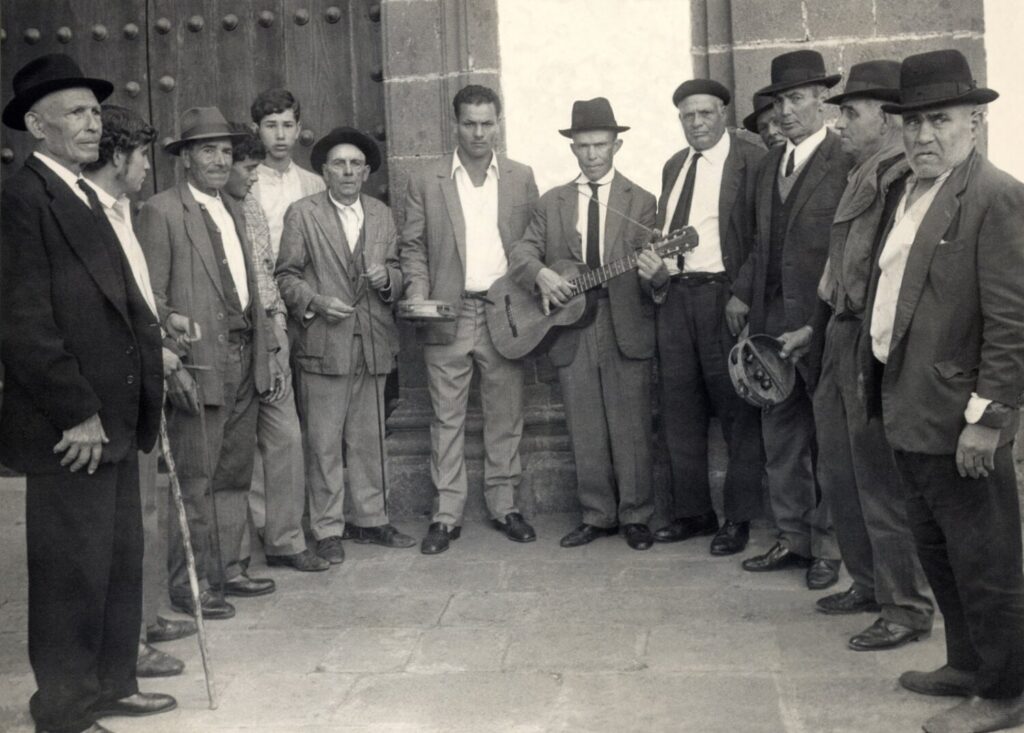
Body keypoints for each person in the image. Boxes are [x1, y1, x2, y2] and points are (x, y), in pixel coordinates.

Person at [0, 53, 175, 733]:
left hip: (117, 418)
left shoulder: (81, 193)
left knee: (116, 560)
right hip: (72, 429)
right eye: (76, 111)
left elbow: (121, 300)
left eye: (96, 110)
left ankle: (111, 683)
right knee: (71, 572)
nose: (93, 122)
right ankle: (65, 712)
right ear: (38, 126)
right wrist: (76, 412)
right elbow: (22, 322)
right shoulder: (21, 199)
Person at [862, 49, 1024, 733]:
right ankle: (965, 663)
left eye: (940, 120)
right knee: (938, 549)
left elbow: (1013, 320)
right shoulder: (908, 187)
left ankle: (1007, 690)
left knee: (986, 559)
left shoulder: (993, 194)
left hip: (960, 419)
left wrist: (987, 421)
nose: (924, 135)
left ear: (974, 123)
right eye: (913, 122)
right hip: (909, 407)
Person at [786, 60, 934, 651]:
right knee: (841, 473)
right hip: (837, 337)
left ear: (889, 118)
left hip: (872, 345)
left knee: (879, 482)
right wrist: (813, 332)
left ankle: (906, 606)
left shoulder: (904, 180)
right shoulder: (862, 174)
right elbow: (836, 272)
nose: (839, 122)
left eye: (850, 112)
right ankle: (868, 583)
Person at [138, 107, 283, 620]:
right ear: (185, 160)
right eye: (208, 150)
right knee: (195, 479)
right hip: (199, 364)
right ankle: (192, 583)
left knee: (234, 474)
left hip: (244, 357)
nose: (220, 160)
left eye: (226, 150)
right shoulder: (162, 211)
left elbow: (250, 290)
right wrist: (173, 357)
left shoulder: (235, 206)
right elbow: (150, 295)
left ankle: (229, 568)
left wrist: (264, 351)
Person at [508, 97, 659, 551]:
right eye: (583, 147)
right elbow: (521, 253)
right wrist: (541, 273)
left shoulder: (642, 201)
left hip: (623, 321)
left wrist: (659, 274)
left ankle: (636, 515)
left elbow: (653, 267)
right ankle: (596, 515)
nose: (592, 155)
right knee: (584, 423)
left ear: (618, 145)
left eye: (601, 145)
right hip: (571, 326)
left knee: (630, 422)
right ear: (571, 148)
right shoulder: (553, 202)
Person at [81, 104, 200, 677]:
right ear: (118, 156)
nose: (149, 167)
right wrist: (155, 350)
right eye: (142, 156)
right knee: (123, 527)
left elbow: (139, 299)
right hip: (111, 395)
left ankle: (144, 623)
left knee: (142, 516)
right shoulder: (92, 217)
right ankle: (126, 645)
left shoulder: (127, 212)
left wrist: (164, 323)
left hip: (140, 386)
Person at [726, 50, 852, 590]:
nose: (787, 111)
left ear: (823, 99)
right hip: (770, 326)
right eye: (781, 100)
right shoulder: (766, 166)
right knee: (780, 439)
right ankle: (793, 537)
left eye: (798, 98)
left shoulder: (845, 162)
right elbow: (760, 243)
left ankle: (829, 547)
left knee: (827, 442)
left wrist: (820, 323)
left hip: (818, 327)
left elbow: (847, 255)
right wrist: (740, 294)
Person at [399, 85, 539, 554]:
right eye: (469, 123)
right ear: (454, 124)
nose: (479, 132)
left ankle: (505, 505)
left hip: (506, 313)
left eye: (487, 122)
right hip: (448, 312)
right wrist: (419, 292)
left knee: (505, 413)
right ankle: (446, 514)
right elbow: (413, 247)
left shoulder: (521, 177)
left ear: (499, 121)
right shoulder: (427, 180)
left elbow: (531, 245)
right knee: (446, 417)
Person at [276, 127, 415, 562]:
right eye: (339, 163)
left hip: (373, 341)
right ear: (324, 171)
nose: (349, 171)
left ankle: (371, 519)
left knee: (368, 437)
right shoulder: (303, 214)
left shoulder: (381, 214)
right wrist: (315, 302)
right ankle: (328, 528)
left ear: (368, 172)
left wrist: (387, 279)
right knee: (322, 441)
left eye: (356, 164)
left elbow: (397, 269)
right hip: (324, 341)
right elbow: (286, 275)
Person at [648, 79, 766, 556]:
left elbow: (765, 238)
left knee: (739, 413)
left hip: (724, 299)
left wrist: (741, 293)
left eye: (705, 113)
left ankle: (738, 518)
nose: (696, 123)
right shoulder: (675, 165)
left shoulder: (751, 161)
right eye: (687, 116)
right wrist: (656, 269)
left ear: (723, 114)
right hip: (676, 299)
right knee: (680, 411)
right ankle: (694, 513)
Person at [222, 123, 329, 572]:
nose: (253, 176)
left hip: (269, 334)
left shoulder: (249, 206)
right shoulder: (184, 211)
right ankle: (234, 554)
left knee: (286, 436)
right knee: (232, 453)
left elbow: (267, 276)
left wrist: (277, 332)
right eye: (248, 168)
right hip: (226, 344)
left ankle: (286, 540)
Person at [248, 88, 326, 540]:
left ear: (299, 129)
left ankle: (310, 513)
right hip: (262, 309)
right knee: (268, 412)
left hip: (306, 307)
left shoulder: (313, 183)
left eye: (287, 125)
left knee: (309, 414)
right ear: (257, 129)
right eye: (270, 125)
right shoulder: (245, 180)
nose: (280, 135)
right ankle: (264, 519)